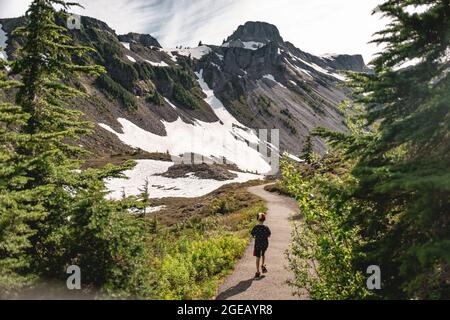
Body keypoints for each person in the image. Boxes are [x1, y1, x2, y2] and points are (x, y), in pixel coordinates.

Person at [251, 212, 271, 278]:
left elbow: (252, 235)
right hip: (265, 244)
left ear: (257, 219)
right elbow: (269, 235)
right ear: (264, 220)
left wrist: (256, 236)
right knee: (263, 254)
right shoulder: (266, 227)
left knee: (257, 257)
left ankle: (257, 271)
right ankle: (262, 265)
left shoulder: (255, 227)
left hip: (257, 244)